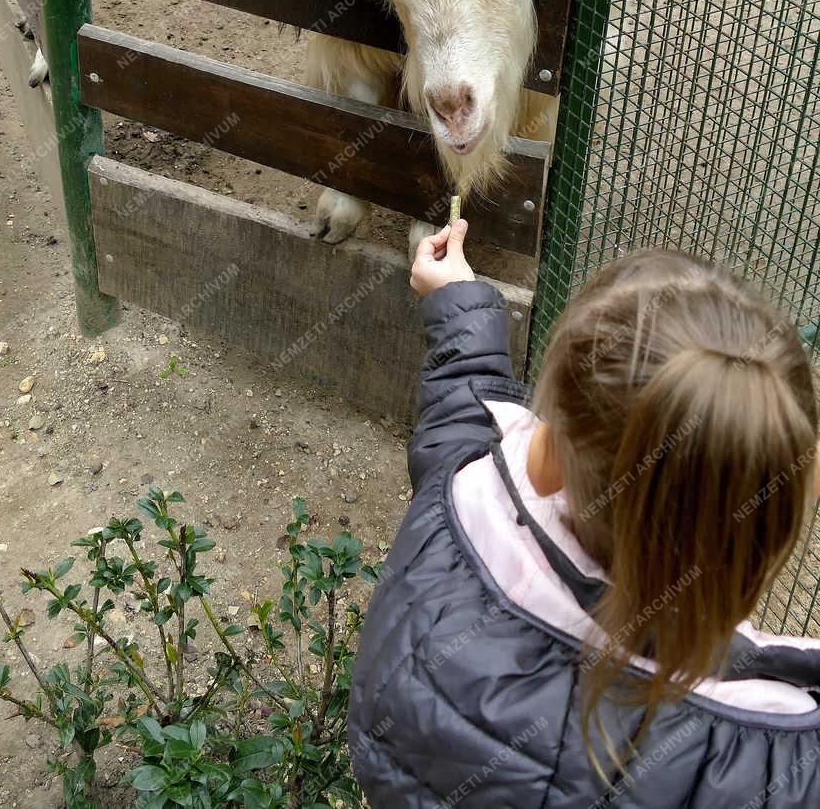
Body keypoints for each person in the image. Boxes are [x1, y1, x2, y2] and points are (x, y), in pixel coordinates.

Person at [348, 221, 820, 806]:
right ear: (766, 536)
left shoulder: (455, 517)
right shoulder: (772, 751)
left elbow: (463, 429)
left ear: (543, 460)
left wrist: (460, 306)